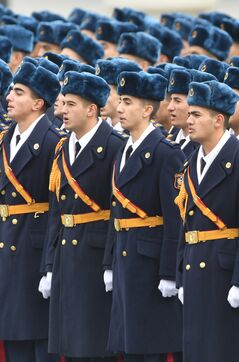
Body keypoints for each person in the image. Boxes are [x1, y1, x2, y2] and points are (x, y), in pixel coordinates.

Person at [45, 71, 125, 362]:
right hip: (67, 251)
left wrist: (110, 262)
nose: (63, 110)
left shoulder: (115, 146)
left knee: (93, 343)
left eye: (71, 104)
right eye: (63, 102)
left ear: (92, 109)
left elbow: (118, 210)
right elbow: (57, 210)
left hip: (95, 253)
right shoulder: (63, 146)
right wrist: (49, 264)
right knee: (69, 343)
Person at [104, 71, 184, 361]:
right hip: (126, 257)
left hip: (150, 265)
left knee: (149, 347)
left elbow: (175, 219)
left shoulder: (165, 152)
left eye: (128, 102)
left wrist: (169, 272)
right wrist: (108, 261)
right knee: (129, 346)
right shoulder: (124, 146)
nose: (120, 108)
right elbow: (117, 211)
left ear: (148, 110)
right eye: (120, 101)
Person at [175, 79, 239, 362]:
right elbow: (186, 223)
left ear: (218, 120)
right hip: (195, 268)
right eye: (189, 114)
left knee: (225, 349)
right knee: (197, 348)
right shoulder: (190, 160)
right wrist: (180, 275)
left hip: (225, 272)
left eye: (197, 114)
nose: (189, 120)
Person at [0, 62, 65, 362]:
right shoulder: (3, 140)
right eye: (11, 90)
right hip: (7, 245)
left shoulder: (54, 144)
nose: (9, 97)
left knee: (38, 338)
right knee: (12, 335)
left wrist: (50, 265)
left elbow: (58, 209)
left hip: (34, 249)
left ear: (38, 103)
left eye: (19, 92)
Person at [166, 68, 199, 156]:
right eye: (171, 100)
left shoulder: (200, 147)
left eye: (177, 101)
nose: (170, 107)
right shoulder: (170, 138)